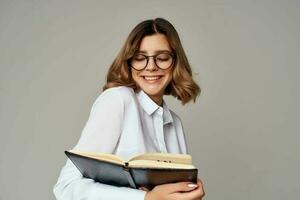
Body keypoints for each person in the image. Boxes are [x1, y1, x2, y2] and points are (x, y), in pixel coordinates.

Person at [53, 17, 205, 200]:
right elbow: (66, 187)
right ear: (129, 62)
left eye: (162, 58)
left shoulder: (175, 124)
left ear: (175, 63)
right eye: (140, 58)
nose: (151, 67)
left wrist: (189, 193)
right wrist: (147, 198)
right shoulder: (118, 100)